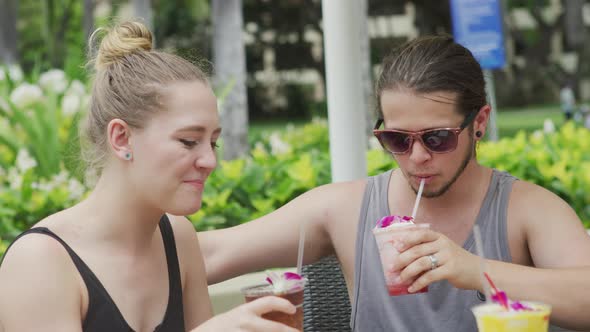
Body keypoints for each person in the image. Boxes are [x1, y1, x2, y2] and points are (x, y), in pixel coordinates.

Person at [200, 35, 590, 331]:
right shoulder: (345, 209)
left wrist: (474, 270)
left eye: (437, 138)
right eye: (397, 140)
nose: (417, 157)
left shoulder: (527, 209)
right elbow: (210, 255)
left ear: (480, 122)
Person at [0, 21, 299, 332]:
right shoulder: (39, 262)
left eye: (213, 142)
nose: (210, 160)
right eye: (188, 141)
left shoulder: (179, 240)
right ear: (121, 138)